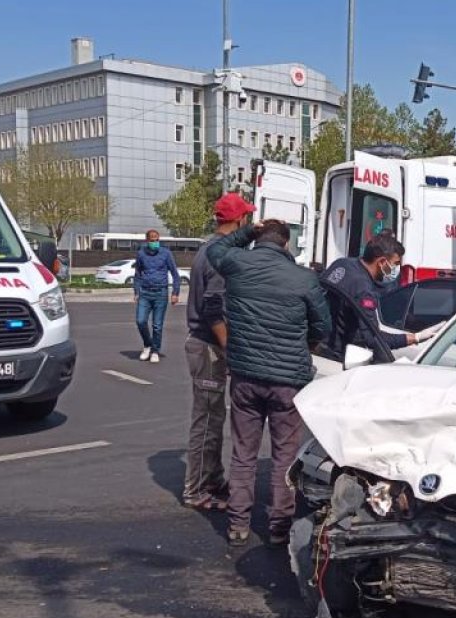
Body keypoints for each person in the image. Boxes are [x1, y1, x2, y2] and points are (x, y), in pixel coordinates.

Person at [206, 219, 332, 545]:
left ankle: (237, 525)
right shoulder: (304, 278)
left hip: (246, 376)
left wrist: (246, 231)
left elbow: (215, 248)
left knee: (243, 454)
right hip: (288, 381)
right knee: (284, 457)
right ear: (286, 244)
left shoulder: (237, 263)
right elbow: (323, 326)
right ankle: (279, 527)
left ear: (258, 240)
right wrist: (305, 347)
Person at [179, 194, 251, 511]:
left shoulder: (210, 248)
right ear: (238, 221)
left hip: (206, 343)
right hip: (208, 346)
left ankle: (211, 478)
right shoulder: (221, 255)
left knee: (214, 416)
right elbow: (213, 308)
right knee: (207, 420)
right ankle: (195, 490)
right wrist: (231, 349)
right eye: (246, 217)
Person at [320, 235, 438, 351]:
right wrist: (415, 337)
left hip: (319, 343)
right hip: (337, 354)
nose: (397, 268)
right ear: (382, 262)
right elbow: (373, 339)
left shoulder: (342, 264)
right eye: (396, 264)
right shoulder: (363, 289)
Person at [133, 229, 182, 363]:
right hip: (145, 293)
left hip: (161, 293)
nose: (155, 242)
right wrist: (136, 291)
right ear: (147, 240)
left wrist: (175, 293)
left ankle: (155, 350)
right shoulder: (141, 254)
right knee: (140, 321)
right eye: (152, 240)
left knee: (157, 325)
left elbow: (175, 274)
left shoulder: (166, 254)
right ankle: (147, 344)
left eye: (157, 240)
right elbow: (137, 274)